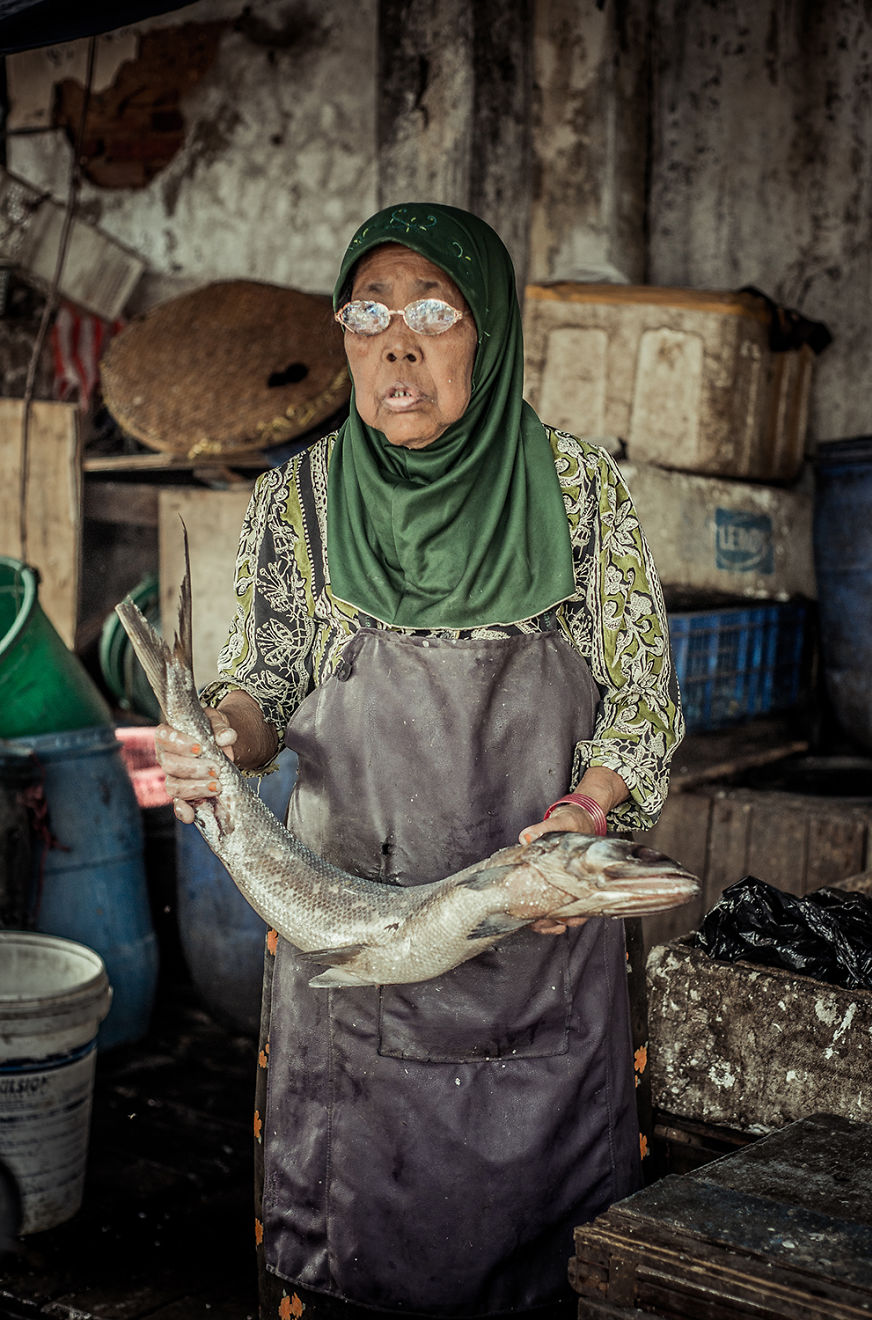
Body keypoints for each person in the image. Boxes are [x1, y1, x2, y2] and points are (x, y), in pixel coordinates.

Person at [156, 202, 684, 1320]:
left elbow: (639, 709)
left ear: (484, 330)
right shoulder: (295, 500)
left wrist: (582, 815)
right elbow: (268, 689)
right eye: (369, 311)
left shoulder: (585, 491)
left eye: (433, 311)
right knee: (355, 1265)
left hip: (539, 965)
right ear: (344, 335)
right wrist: (218, 742)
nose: (397, 344)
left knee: (547, 1275)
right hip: (354, 963)